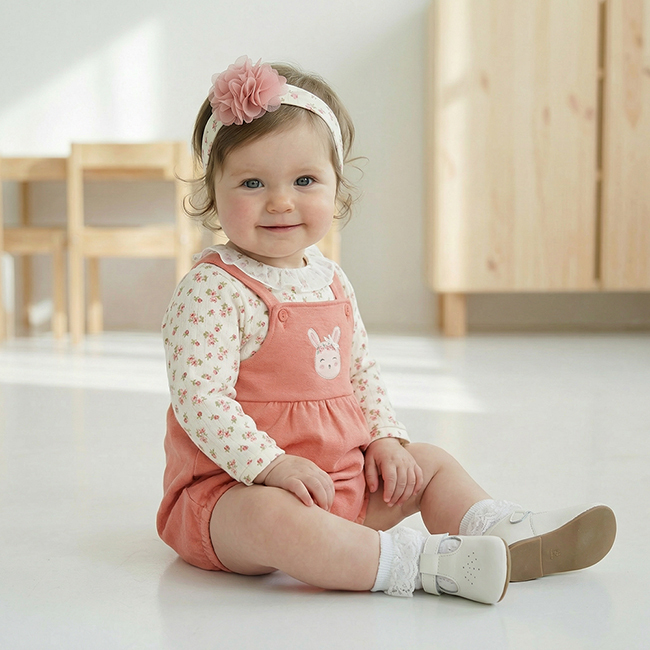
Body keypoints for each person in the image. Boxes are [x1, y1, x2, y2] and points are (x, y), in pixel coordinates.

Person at [156, 56, 616, 604]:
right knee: (272, 518)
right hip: (232, 493)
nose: (280, 201)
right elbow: (200, 399)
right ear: (213, 190)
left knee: (428, 463)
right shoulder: (212, 289)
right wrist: (271, 465)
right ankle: (426, 564)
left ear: (336, 187)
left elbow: (361, 373)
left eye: (304, 180)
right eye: (252, 182)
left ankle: (499, 532)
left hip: (340, 480)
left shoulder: (330, 280)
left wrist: (384, 440)